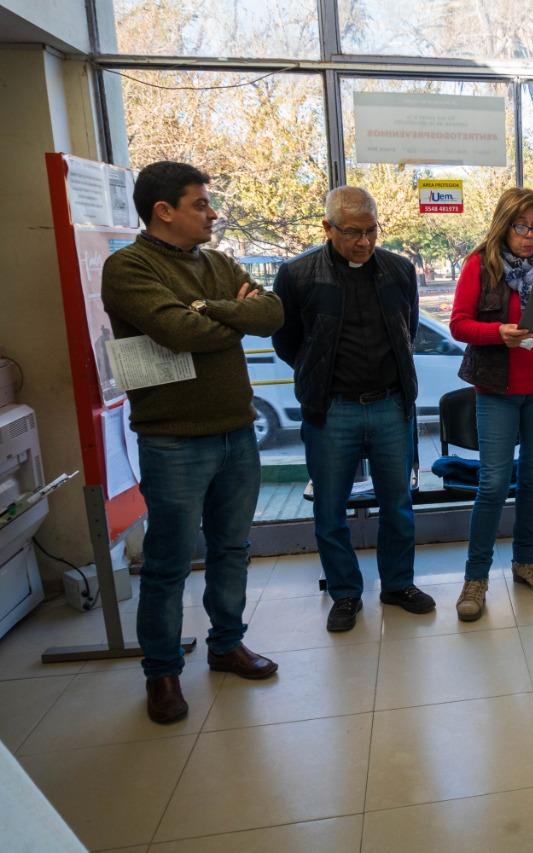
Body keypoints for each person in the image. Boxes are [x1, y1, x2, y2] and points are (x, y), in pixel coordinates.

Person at [101, 161, 283, 724]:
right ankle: (162, 674)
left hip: (236, 429)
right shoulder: (128, 267)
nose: (212, 213)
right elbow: (178, 331)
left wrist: (210, 309)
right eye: (201, 204)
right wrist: (230, 317)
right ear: (164, 210)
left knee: (232, 548)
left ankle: (227, 644)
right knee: (168, 562)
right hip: (173, 439)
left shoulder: (219, 262)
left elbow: (272, 313)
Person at [273, 187, 435, 633]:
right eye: (352, 233)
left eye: (371, 231)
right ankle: (345, 593)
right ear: (327, 228)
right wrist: (321, 376)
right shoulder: (298, 274)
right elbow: (288, 342)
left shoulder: (399, 270)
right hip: (332, 411)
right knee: (329, 509)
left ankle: (398, 585)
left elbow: (410, 327)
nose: (364, 242)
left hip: (390, 405)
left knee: (398, 505)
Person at [448, 188, 533, 621]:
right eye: (520, 227)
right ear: (503, 225)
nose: (529, 236)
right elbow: (458, 324)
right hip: (496, 389)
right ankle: (476, 578)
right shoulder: (479, 264)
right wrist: (497, 333)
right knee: (492, 485)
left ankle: (526, 561)